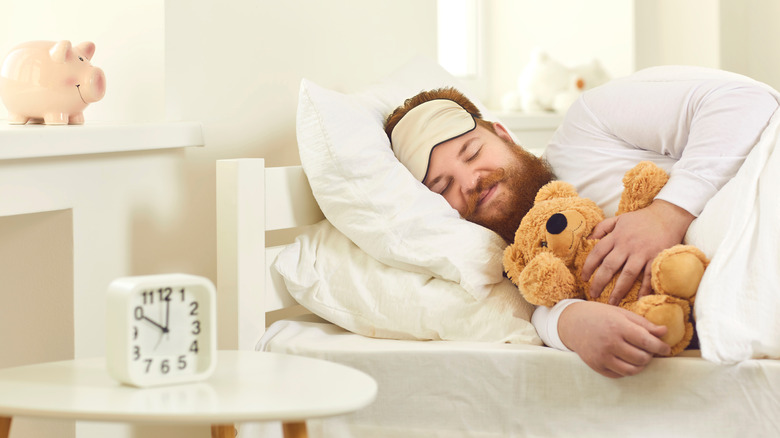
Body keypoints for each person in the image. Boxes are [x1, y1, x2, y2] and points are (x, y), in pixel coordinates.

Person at [384, 65, 778, 378]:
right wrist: (567, 323)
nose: (470, 182)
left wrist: (667, 213)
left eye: (472, 153)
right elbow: (536, 301)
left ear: (504, 135)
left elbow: (747, 101)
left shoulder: (589, 123)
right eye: (443, 186)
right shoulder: (510, 257)